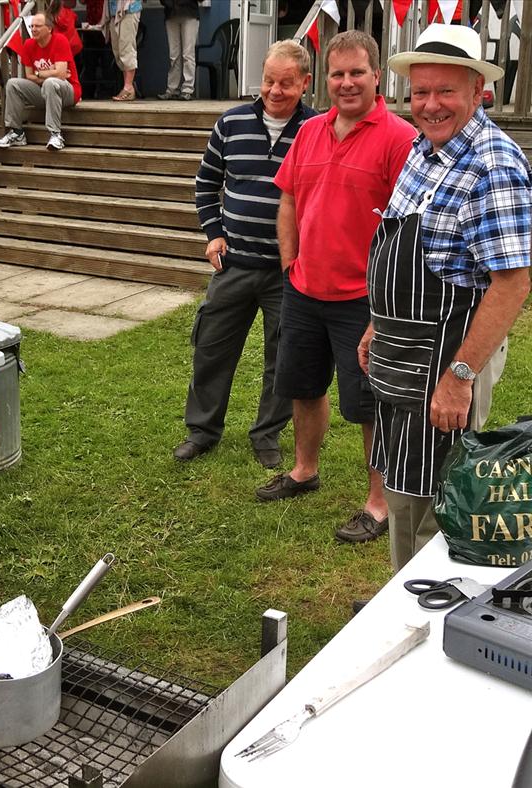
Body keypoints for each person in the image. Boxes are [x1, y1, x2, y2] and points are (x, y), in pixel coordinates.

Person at [359, 24, 531, 571]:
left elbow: (512, 282)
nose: (430, 105)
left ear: (479, 91)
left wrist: (460, 379)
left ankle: (426, 609)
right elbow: (397, 247)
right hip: (401, 352)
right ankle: (399, 589)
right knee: (403, 484)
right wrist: (376, 325)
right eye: (420, 92)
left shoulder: (493, 164)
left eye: (446, 92)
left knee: (436, 500)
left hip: (446, 361)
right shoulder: (422, 147)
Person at [256, 31, 416, 545]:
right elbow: (288, 201)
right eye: (337, 73)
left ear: (376, 77)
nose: (346, 83)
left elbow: (407, 231)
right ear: (325, 80)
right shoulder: (309, 132)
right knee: (302, 386)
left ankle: (379, 502)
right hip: (304, 289)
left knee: (370, 404)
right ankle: (305, 470)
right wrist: (289, 266)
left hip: (363, 301)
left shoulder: (399, 139)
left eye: (356, 73)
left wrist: (383, 302)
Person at [174, 41, 315, 467]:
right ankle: (202, 430)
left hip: (286, 271)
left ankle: (267, 434)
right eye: (268, 80)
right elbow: (206, 183)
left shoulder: (317, 130)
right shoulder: (231, 122)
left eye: (286, 83)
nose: (274, 90)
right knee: (212, 347)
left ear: (305, 83)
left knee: (283, 357)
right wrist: (213, 233)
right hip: (233, 263)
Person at [0, 13, 82, 152]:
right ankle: (16, 132)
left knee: (51, 83)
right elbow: (29, 76)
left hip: (69, 92)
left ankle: (55, 135)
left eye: (38, 26)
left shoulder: (60, 40)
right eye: (32, 26)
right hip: (44, 91)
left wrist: (42, 74)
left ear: (49, 29)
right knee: (13, 84)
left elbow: (61, 74)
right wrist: (48, 72)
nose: (33, 29)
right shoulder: (28, 44)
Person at [158, 0, 200, 101]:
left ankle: (187, 89)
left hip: (190, 13)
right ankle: (172, 89)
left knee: (188, 54)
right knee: (174, 55)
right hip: (171, 14)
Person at [109, 0, 141, 101]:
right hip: (114, 10)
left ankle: (128, 87)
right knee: (118, 50)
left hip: (129, 9)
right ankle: (126, 86)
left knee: (126, 48)